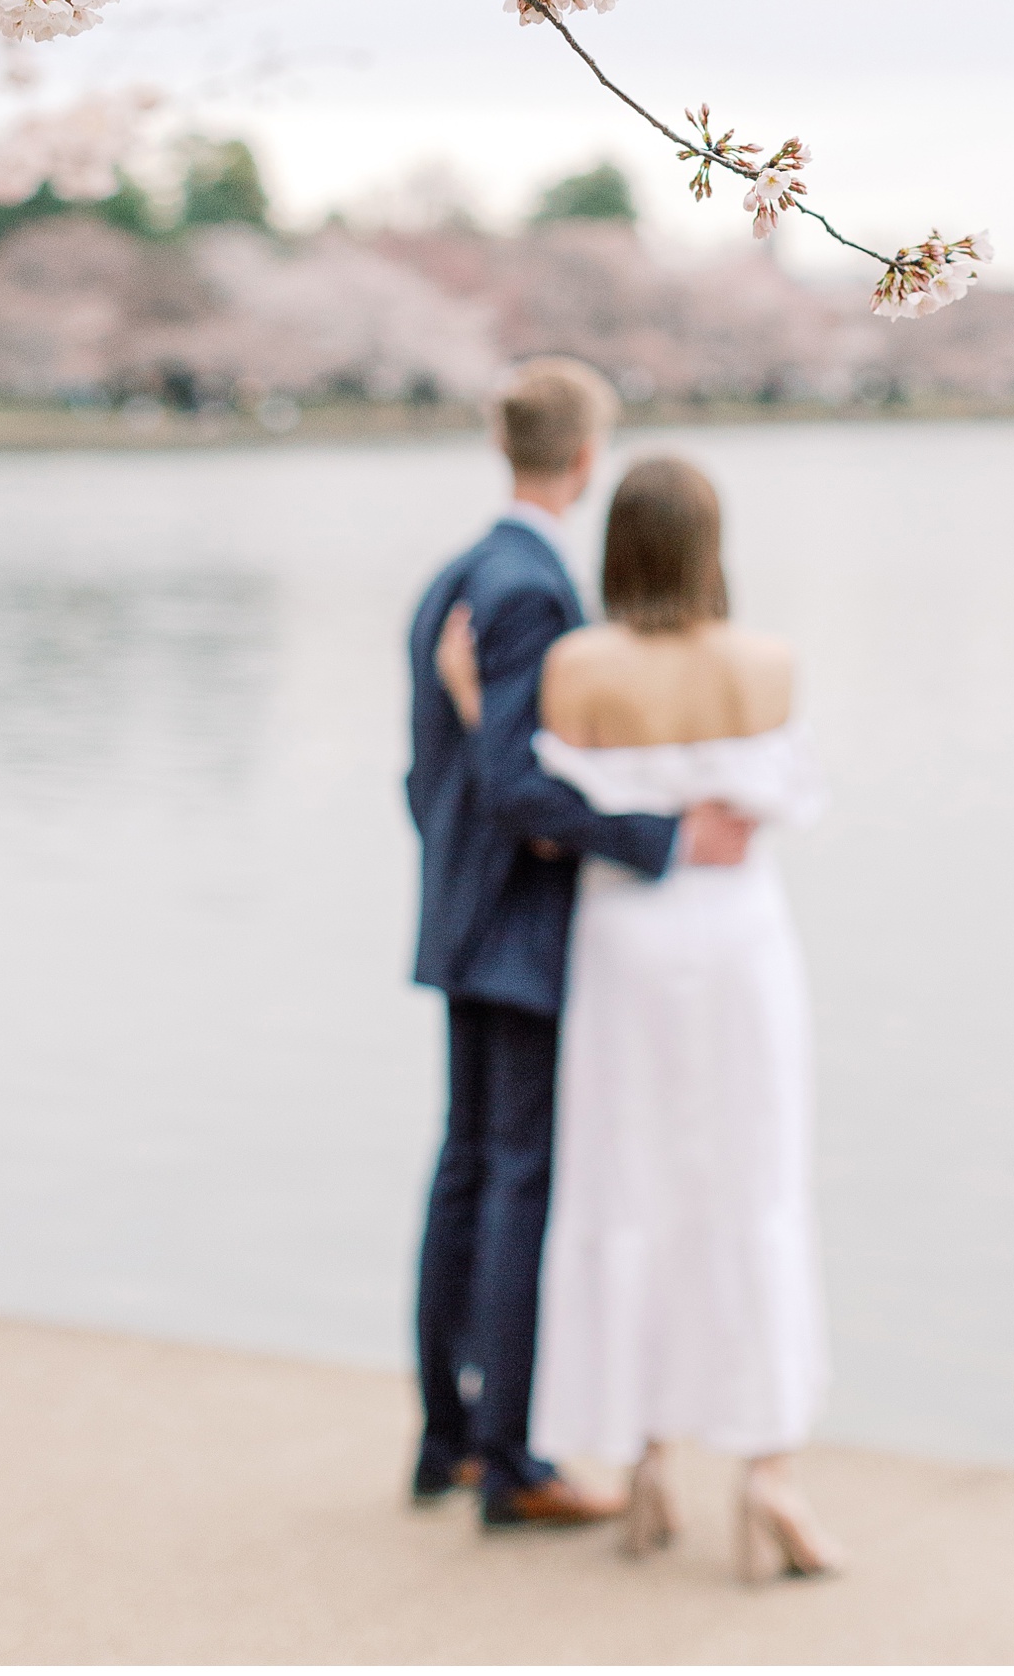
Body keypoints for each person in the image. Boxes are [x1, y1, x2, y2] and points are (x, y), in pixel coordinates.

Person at [435, 454, 842, 1582]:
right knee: (751, 1185)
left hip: (625, 941)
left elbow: (546, 813)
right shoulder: (766, 664)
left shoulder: (578, 667)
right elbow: (785, 806)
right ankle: (767, 1470)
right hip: (739, 940)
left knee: (630, 1185)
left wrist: (474, 706)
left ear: (617, 548)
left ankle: (646, 1454)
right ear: (712, 548)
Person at [404, 358, 755, 1531]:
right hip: (517, 929)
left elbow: (433, 776)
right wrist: (656, 838)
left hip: (462, 911)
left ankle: (449, 1439)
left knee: (467, 1172)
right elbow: (512, 780)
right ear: (586, 459)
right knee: (512, 1180)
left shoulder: (455, 574)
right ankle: (506, 1458)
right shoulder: (528, 592)